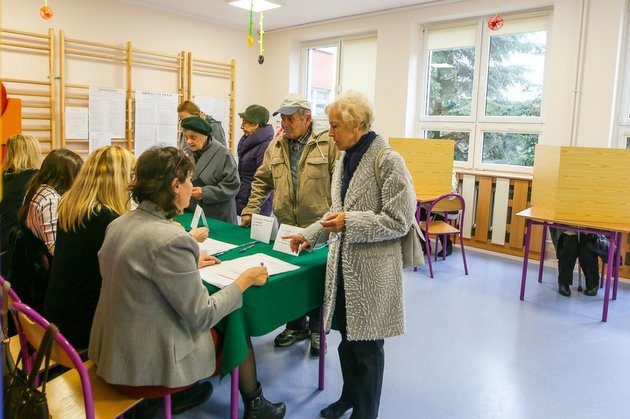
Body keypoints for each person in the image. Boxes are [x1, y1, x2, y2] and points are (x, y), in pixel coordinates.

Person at [88, 146, 285, 418]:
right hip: (145, 369)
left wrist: (188, 263)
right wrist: (244, 280)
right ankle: (256, 403)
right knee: (236, 329)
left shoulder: (119, 224)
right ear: (174, 186)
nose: (192, 186)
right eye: (189, 179)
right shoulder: (173, 240)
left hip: (112, 354)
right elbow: (203, 315)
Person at [284, 91, 416, 419]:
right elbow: (336, 211)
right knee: (346, 341)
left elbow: (399, 220)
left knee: (368, 349)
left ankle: (366, 412)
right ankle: (349, 398)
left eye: (334, 125)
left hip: (371, 274)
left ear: (356, 125)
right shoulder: (345, 158)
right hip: (343, 270)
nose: (329, 132)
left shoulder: (387, 160)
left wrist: (350, 222)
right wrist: (309, 235)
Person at [241, 93, 338, 356]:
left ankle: (318, 330)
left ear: (307, 119)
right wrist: (251, 208)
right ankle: (296, 326)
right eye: (282, 117)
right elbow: (262, 181)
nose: (285, 122)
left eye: (291, 118)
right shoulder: (276, 145)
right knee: (291, 277)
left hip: (319, 227)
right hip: (286, 226)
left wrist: (331, 220)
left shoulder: (328, 144)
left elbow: (339, 187)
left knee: (317, 280)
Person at [43, 146, 135, 351]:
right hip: (82, 327)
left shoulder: (71, 205)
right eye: (130, 175)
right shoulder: (105, 219)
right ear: (117, 178)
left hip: (58, 315)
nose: (132, 182)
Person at [18, 149, 84, 255]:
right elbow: (55, 248)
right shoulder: (51, 200)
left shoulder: (35, 189)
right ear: (64, 176)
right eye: (77, 175)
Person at [181, 116, 240, 224]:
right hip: (192, 213)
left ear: (206, 136)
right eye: (186, 137)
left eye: (193, 137)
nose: (189, 141)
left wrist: (205, 192)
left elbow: (233, 185)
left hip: (218, 216)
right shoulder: (186, 153)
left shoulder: (223, 155)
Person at [0, 134, 40, 259]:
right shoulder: (39, 180)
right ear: (33, 153)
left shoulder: (2, 179)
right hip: (27, 247)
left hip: (4, 245)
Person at [236, 104, 274, 216]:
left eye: (245, 122)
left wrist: (252, 207)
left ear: (256, 125)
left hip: (257, 205)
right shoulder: (248, 143)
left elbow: (263, 181)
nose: (241, 126)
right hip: (243, 199)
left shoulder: (265, 146)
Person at [550, 229, 600, 297]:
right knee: (570, 245)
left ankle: (593, 283)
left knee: (587, 248)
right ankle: (564, 281)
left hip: (589, 229)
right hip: (567, 228)